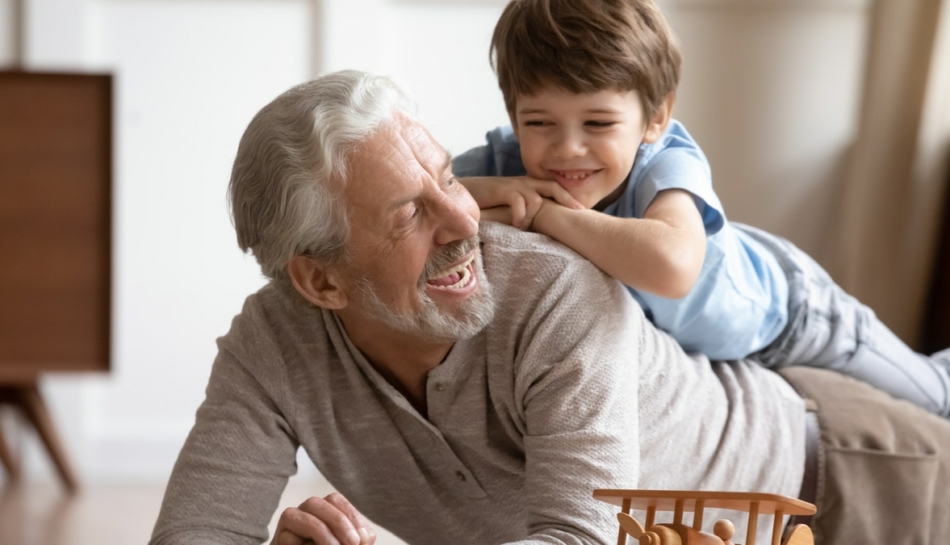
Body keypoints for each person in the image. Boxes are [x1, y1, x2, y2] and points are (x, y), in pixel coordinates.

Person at [150, 70, 950, 545]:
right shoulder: (271, 347)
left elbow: (578, 534)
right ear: (319, 282)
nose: (466, 219)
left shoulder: (556, 291)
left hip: (850, 476)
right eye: (407, 214)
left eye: (448, 178)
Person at [453, 0, 950, 418]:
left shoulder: (666, 160)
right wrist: (487, 190)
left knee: (931, 398)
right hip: (715, 347)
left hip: (794, 318)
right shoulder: (505, 163)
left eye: (599, 123)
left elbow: (671, 268)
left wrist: (543, 214)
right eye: (539, 122)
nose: (567, 149)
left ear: (656, 117)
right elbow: (411, 200)